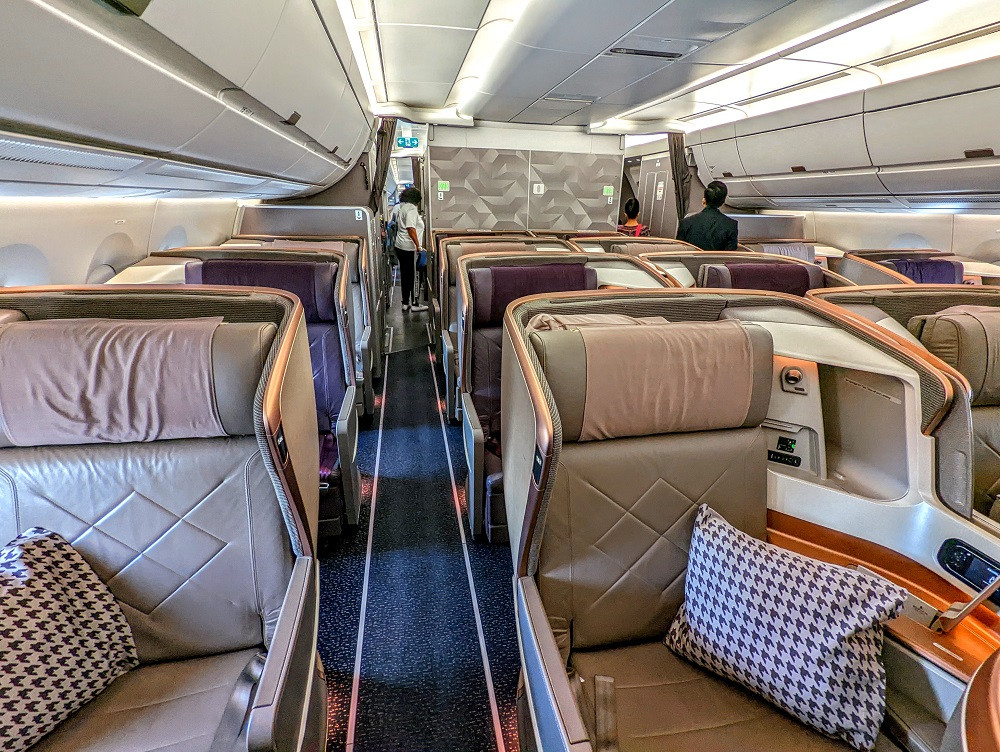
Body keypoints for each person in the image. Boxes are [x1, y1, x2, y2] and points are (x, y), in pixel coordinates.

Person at [392, 187, 427, 312]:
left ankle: (405, 302)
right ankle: (415, 304)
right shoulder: (412, 209)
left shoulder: (402, 207)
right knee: (413, 275)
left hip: (400, 246)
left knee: (405, 275)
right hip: (409, 247)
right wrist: (418, 246)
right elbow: (411, 228)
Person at [677, 180, 739, 251]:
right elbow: (730, 257)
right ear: (723, 202)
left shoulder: (686, 223)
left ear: (704, 200)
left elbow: (680, 251)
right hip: (718, 262)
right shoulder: (731, 225)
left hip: (690, 261)